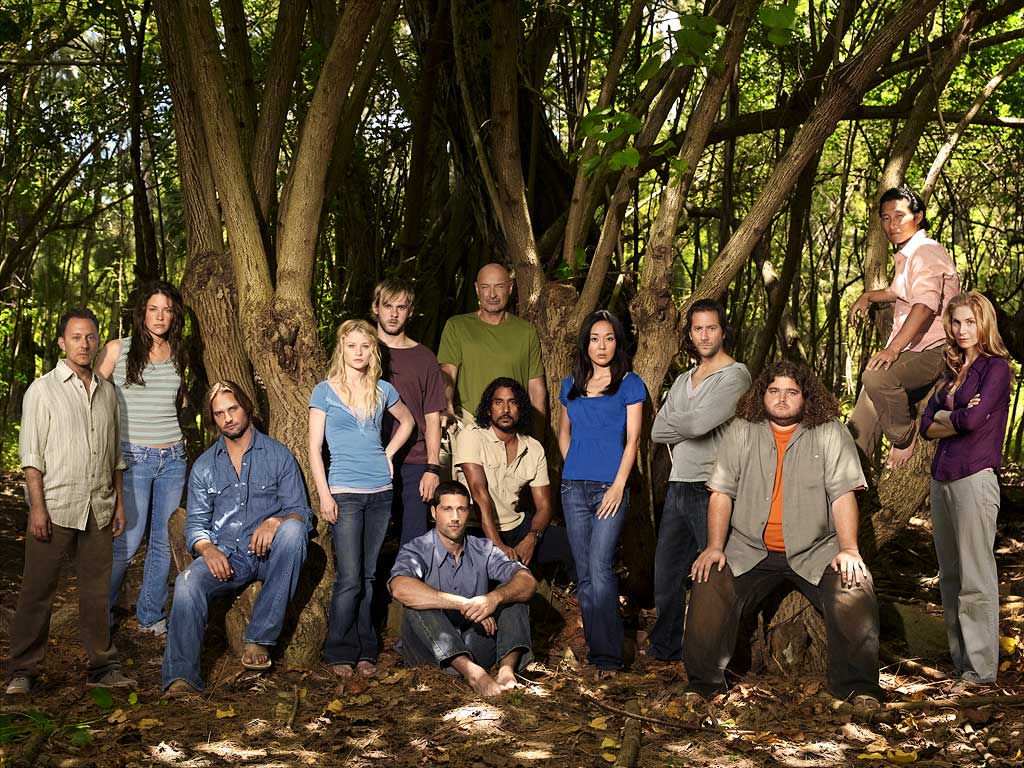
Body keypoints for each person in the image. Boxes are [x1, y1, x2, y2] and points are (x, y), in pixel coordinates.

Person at [684, 361, 881, 705]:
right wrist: (715, 546)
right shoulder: (742, 429)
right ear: (762, 395)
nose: (782, 399)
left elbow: (842, 495)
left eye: (791, 392)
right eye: (773, 391)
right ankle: (703, 686)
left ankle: (859, 690)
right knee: (708, 579)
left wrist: (849, 549)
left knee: (855, 586)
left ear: (807, 397)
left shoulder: (830, 431)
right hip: (749, 548)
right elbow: (721, 493)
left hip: (815, 550)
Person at [6, 308, 137, 695]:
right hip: (56, 506)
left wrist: (118, 503)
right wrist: (37, 507)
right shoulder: (41, 390)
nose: (85, 343)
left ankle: (102, 667)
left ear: (98, 341)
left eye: (91, 337)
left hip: (98, 507)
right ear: (63, 342)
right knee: (37, 591)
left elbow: (115, 453)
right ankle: (23, 671)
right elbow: (31, 455)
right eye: (77, 337)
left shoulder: (107, 390)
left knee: (97, 593)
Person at [162, 382, 311, 694]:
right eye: (219, 414)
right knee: (188, 583)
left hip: (273, 556)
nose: (228, 418)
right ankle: (182, 676)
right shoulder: (204, 466)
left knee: (295, 530)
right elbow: (197, 525)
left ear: (246, 408)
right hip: (229, 557)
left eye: (233, 409)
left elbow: (301, 511)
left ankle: (259, 639)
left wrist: (276, 521)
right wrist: (206, 549)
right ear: (213, 419)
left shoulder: (278, 455)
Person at [309, 319, 414, 679]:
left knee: (369, 576)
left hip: (381, 493)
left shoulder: (382, 389)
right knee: (349, 578)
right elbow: (313, 449)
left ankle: (367, 649)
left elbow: (408, 422)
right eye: (352, 346)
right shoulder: (323, 391)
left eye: (365, 346)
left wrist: (388, 454)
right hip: (345, 492)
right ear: (342, 348)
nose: (359, 352)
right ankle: (340, 650)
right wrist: (325, 495)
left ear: (373, 351)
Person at [647, 298, 751, 661]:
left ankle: (714, 655)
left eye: (711, 328)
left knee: (715, 575)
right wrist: (684, 419)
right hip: (678, 484)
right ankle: (665, 649)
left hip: (713, 486)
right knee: (667, 574)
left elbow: (695, 424)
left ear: (723, 331)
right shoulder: (681, 379)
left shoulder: (736, 376)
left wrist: (683, 418)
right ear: (689, 334)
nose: (704, 335)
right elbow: (658, 430)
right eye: (697, 328)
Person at [920, 291, 1011, 687]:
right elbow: (925, 426)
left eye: (970, 322)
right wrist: (952, 414)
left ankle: (980, 672)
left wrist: (949, 416)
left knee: (976, 577)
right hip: (942, 477)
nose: (962, 330)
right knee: (951, 577)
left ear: (983, 323)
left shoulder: (996, 368)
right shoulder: (949, 372)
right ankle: (961, 666)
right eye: (956, 322)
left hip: (975, 477)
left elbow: (974, 423)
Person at [95, 281, 187, 636]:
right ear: (142, 313)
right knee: (128, 539)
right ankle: (100, 614)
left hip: (173, 458)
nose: (160, 316)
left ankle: (150, 614)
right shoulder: (118, 350)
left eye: (167, 309)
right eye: (153, 309)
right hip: (133, 458)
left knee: (164, 541)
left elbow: (177, 402)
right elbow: (88, 392)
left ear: (174, 314)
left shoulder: (180, 354)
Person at [558, 310, 645, 676]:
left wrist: (619, 484)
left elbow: (633, 440)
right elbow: (563, 433)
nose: (602, 345)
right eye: (595, 338)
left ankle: (609, 658)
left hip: (611, 489)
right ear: (585, 343)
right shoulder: (571, 385)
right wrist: (574, 464)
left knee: (601, 566)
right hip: (573, 488)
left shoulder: (629, 383)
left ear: (617, 341)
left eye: (609, 338)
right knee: (585, 572)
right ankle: (598, 654)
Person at [389, 481, 536, 697]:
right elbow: (400, 588)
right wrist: (464, 603)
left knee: (514, 593)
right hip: (429, 652)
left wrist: (494, 598)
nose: (455, 517)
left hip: (476, 645)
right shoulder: (417, 549)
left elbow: (527, 581)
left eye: (462, 509)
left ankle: (506, 672)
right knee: (417, 604)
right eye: (447, 509)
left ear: (469, 512)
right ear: (434, 512)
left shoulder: (483, 548)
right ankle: (474, 675)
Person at [848, 185, 959, 468]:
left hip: (934, 350)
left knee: (876, 378)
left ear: (918, 216)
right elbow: (901, 291)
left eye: (899, 216)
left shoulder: (925, 251)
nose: (892, 224)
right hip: (914, 349)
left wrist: (893, 350)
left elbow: (924, 305)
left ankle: (904, 437)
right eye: (885, 218)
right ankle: (849, 487)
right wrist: (868, 296)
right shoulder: (910, 254)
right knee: (855, 435)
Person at [454, 377, 575, 577]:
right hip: (477, 528)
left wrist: (532, 537)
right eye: (498, 402)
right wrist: (497, 544)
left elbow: (544, 506)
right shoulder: (472, 436)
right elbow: (478, 493)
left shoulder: (533, 448)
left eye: (513, 402)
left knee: (574, 544)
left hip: (516, 526)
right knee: (486, 578)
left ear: (521, 409)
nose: (506, 409)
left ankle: (587, 602)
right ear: (488, 409)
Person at [372, 279, 448, 544]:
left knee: (413, 542)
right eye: (388, 306)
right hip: (369, 459)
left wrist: (433, 468)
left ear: (411, 311)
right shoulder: (362, 352)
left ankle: (409, 585)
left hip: (414, 462)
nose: (393, 314)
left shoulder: (424, 358)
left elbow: (432, 417)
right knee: (371, 543)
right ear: (375, 308)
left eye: (401, 307)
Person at [438, 263, 546, 434]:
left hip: (512, 429)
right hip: (469, 425)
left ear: (510, 288)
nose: (492, 294)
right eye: (485, 287)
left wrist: (538, 440)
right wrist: (446, 405)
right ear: (476, 289)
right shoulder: (457, 326)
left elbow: (536, 390)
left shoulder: (526, 332)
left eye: (499, 286)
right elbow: (447, 373)